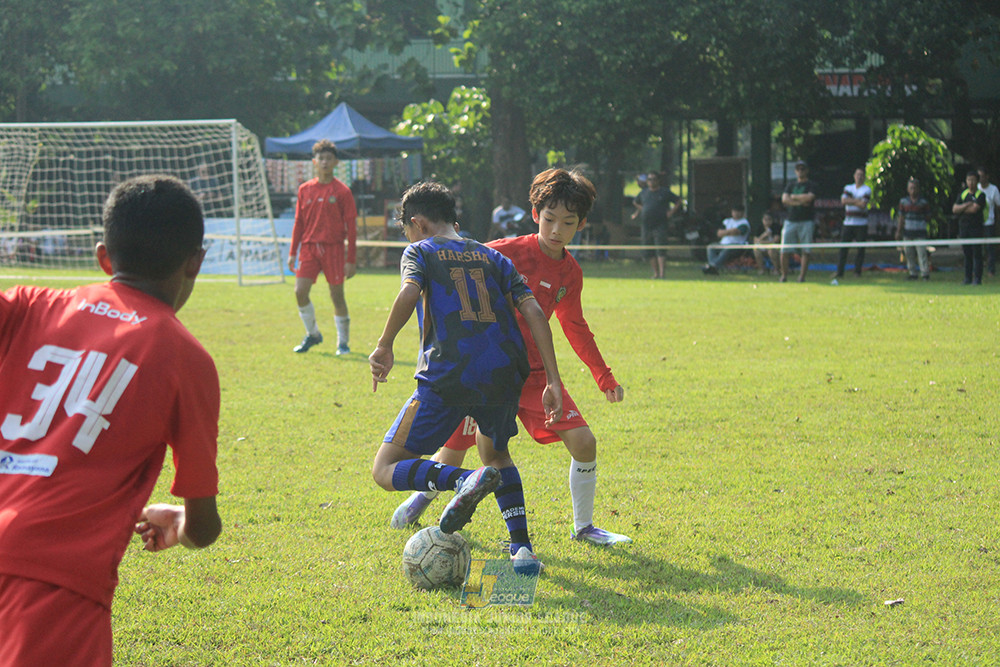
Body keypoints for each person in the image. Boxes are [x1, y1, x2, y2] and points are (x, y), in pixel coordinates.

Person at [0, 175, 222, 666]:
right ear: (196, 262)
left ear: (103, 257)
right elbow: (203, 525)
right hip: (54, 588)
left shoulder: (31, 305)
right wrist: (183, 520)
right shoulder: (186, 357)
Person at [391, 168, 631, 547]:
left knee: (584, 442)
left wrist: (604, 377)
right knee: (453, 453)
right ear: (536, 215)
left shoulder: (570, 272)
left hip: (534, 376)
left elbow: (575, 327)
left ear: (580, 225)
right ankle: (424, 497)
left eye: (567, 223)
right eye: (549, 219)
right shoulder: (499, 252)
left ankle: (584, 527)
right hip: (484, 370)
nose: (556, 229)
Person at [369, 181, 563, 573]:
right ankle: (522, 551)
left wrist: (385, 344)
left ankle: (461, 480)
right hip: (504, 373)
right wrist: (553, 381)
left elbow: (409, 293)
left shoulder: (419, 250)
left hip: (448, 373)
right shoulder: (492, 257)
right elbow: (534, 312)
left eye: (407, 227)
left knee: (385, 469)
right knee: (497, 454)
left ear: (418, 223)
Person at [288, 139, 357, 354]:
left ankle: (343, 342)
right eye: (321, 158)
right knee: (300, 291)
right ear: (314, 162)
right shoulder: (304, 190)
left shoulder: (343, 192)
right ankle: (313, 334)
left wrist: (351, 259)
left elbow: (351, 227)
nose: (325, 162)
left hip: (333, 249)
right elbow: (299, 222)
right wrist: (293, 253)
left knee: (336, 295)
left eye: (329, 158)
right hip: (309, 248)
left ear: (336, 162)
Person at [631, 171, 682, 279]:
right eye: (649, 179)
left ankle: (662, 273)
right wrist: (642, 210)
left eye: (654, 179)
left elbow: (678, 201)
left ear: (658, 180)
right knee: (649, 249)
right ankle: (656, 273)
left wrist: (671, 212)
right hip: (646, 225)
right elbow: (635, 202)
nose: (651, 181)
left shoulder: (664, 192)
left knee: (660, 248)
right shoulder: (644, 192)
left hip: (661, 224)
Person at [780, 160, 818, 283]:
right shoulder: (790, 185)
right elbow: (785, 199)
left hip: (807, 221)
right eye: (798, 169)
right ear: (795, 171)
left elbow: (810, 198)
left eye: (803, 169)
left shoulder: (811, 185)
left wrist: (794, 197)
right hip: (791, 220)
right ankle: (784, 276)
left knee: (805, 250)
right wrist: (800, 201)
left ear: (806, 171)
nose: (800, 171)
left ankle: (801, 277)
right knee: (784, 249)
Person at [835, 167, 872, 280]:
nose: (859, 177)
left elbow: (863, 205)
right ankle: (839, 272)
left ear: (864, 177)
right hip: (848, 223)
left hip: (861, 224)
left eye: (861, 175)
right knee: (843, 249)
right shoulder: (848, 187)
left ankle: (857, 272)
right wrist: (857, 200)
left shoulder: (867, 189)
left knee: (860, 249)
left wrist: (852, 200)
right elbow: (844, 201)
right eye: (857, 174)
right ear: (854, 176)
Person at [953, 169, 987, 285]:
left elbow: (974, 209)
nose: (971, 182)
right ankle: (967, 278)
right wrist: (967, 205)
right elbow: (955, 209)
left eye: (973, 180)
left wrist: (962, 209)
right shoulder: (963, 194)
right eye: (969, 180)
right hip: (964, 228)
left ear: (977, 181)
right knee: (967, 254)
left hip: (976, 228)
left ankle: (977, 278)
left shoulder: (981, 195)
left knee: (977, 254)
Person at [896, 177, 932, 281]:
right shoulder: (903, 202)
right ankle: (912, 273)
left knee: (922, 254)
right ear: (908, 189)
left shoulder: (923, 202)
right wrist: (899, 231)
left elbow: (928, 217)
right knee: (909, 254)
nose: (913, 190)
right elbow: (901, 218)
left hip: (920, 233)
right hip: (908, 233)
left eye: (915, 188)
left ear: (918, 189)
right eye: (911, 188)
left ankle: (925, 274)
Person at [703, 203, 751, 274]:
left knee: (727, 249)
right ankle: (712, 267)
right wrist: (730, 231)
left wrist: (725, 232)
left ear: (742, 212)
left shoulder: (744, 223)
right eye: (734, 211)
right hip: (722, 244)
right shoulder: (727, 221)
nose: (736, 213)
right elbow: (719, 233)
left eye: (738, 211)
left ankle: (713, 266)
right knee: (711, 247)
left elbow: (737, 232)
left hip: (737, 246)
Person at [978, 167, 1000, 277]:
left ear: (987, 176)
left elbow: (998, 206)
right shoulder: (976, 188)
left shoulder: (993, 189)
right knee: (977, 248)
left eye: (982, 176)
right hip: (977, 223)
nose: (980, 179)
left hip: (989, 223)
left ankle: (991, 270)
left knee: (990, 249)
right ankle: (977, 270)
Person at [753, 211, 781, 275]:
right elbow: (755, 241)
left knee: (771, 251)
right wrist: (764, 235)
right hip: (763, 248)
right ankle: (761, 269)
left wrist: (762, 242)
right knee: (756, 251)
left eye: (769, 219)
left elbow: (776, 240)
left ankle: (776, 270)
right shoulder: (759, 227)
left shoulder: (776, 227)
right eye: (765, 220)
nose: (767, 222)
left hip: (774, 248)